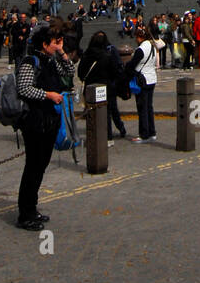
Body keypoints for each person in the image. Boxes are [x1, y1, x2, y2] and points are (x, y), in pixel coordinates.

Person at [14, 19, 71, 229]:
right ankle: (25, 214)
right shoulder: (31, 62)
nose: (59, 43)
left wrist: (62, 53)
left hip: (49, 121)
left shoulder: (51, 60)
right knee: (33, 167)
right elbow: (24, 88)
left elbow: (69, 73)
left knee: (40, 166)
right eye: (55, 41)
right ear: (44, 44)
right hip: (34, 122)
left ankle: (32, 208)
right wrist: (48, 94)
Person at [78, 30, 127, 140]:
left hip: (90, 88)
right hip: (107, 87)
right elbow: (115, 72)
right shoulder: (107, 55)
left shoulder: (86, 55)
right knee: (108, 112)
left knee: (91, 113)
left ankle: (93, 135)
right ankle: (109, 136)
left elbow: (80, 73)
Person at [124, 31, 160, 142]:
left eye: (136, 37)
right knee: (149, 106)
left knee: (142, 107)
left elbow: (133, 64)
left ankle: (144, 134)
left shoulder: (141, 49)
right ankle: (152, 132)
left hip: (142, 79)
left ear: (140, 38)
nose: (135, 40)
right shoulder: (153, 47)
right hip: (152, 78)